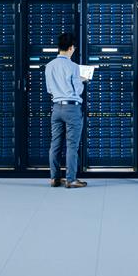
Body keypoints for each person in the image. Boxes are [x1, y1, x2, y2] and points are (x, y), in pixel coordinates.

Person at [44, 33, 88, 188]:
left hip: (56, 108)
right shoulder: (74, 67)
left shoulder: (49, 66)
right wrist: (83, 80)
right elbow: (78, 90)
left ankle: (54, 178)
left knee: (55, 144)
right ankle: (71, 180)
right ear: (70, 48)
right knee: (72, 145)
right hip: (71, 108)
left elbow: (49, 89)